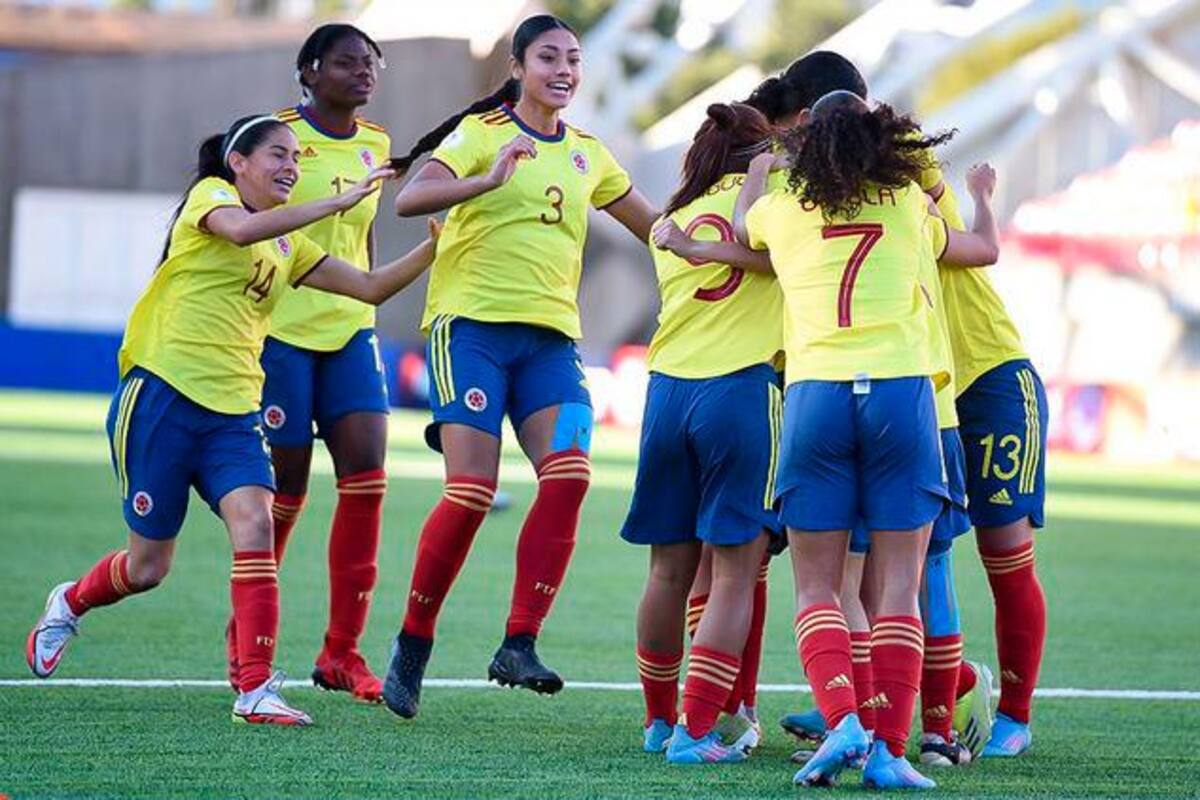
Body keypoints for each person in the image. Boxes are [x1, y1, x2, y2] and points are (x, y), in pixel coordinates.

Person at [25, 115, 437, 726]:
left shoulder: (289, 243)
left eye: (297, 157)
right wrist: (337, 199)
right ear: (237, 162)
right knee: (148, 568)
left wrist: (438, 245)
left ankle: (254, 689)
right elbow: (241, 231)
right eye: (277, 154)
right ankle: (71, 601)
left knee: (255, 525)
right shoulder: (212, 198)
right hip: (162, 399)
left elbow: (371, 287)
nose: (291, 165)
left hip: (234, 414)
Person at [380, 14, 658, 719]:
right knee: (471, 492)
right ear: (518, 66)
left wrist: (733, 232)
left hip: (549, 344)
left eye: (573, 59)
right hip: (470, 332)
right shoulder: (482, 136)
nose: (564, 69)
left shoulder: (590, 153)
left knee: (569, 479)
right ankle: (412, 645)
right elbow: (410, 199)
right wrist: (485, 183)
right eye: (549, 58)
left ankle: (519, 642)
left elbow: (658, 229)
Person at [733, 90, 999, 789]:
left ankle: (844, 718)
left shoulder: (785, 208)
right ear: (881, 140)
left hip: (818, 393)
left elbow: (741, 234)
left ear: (809, 146)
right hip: (902, 396)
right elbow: (972, 248)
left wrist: (759, 177)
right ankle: (889, 753)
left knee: (818, 588)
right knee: (899, 593)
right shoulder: (909, 204)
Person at [221, 23, 395, 705]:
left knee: (368, 480)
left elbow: (365, 233)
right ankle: (247, 634)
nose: (364, 72)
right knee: (282, 488)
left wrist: (372, 292)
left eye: (372, 63)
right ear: (310, 69)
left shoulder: (378, 143)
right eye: (349, 62)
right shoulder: (277, 138)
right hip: (282, 334)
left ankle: (341, 653)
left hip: (351, 332)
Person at [622, 102, 782, 763]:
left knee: (667, 572)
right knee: (735, 574)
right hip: (741, 390)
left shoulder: (672, 216)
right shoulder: (772, 202)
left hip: (666, 393)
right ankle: (695, 732)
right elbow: (774, 260)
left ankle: (660, 723)